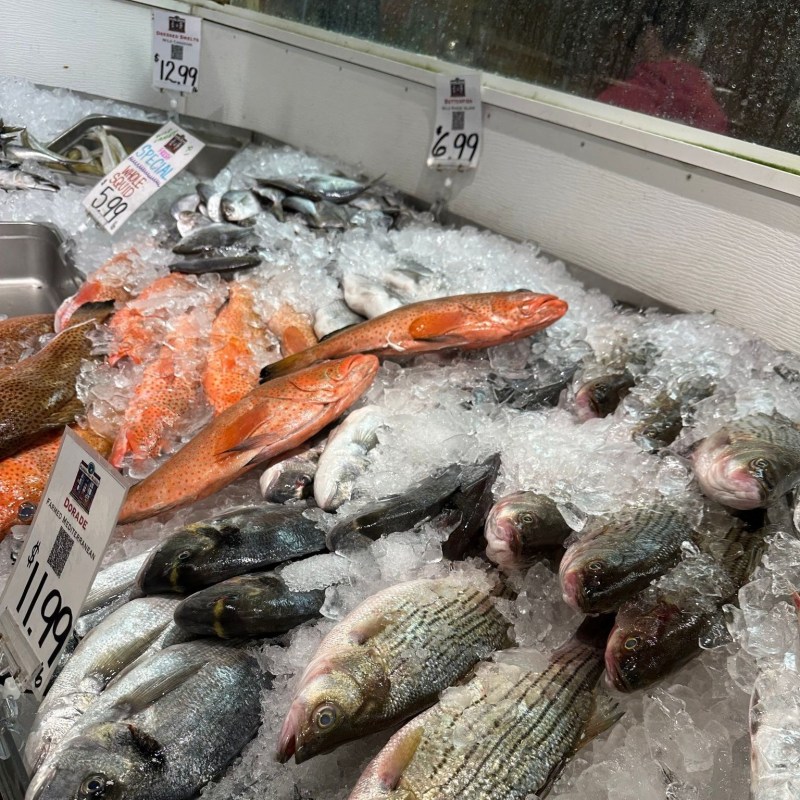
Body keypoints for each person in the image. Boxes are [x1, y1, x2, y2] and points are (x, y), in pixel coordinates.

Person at [597, 16, 728, 135]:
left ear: (650, 37)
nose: (632, 53)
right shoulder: (714, 115)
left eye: (633, 44)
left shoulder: (613, 101)